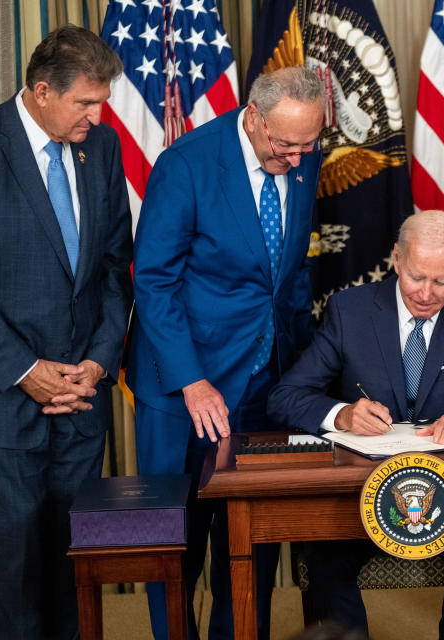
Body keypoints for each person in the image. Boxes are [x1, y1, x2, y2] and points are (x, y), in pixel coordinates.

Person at [266, 210, 444, 640]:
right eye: (417, 276)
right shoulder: (350, 310)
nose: (426, 293)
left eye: (442, 281)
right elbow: (285, 397)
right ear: (397, 259)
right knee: (324, 565)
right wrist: (341, 414)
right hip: (360, 491)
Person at [126, 66, 325, 639]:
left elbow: (288, 276)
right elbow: (154, 282)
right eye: (285, 144)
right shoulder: (186, 164)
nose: (297, 157)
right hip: (183, 386)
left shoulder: (301, 152)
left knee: (250, 540)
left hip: (266, 380)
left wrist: (304, 374)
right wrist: (191, 380)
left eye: (307, 144)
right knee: (174, 537)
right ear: (255, 118)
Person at [0, 25, 132, 640]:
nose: (97, 115)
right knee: (19, 555)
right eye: (85, 102)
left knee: (73, 551)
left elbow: (113, 269)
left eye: (102, 101)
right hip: (1, 399)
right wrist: (27, 371)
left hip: (81, 394)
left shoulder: (101, 151)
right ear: (41, 89)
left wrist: (99, 363)